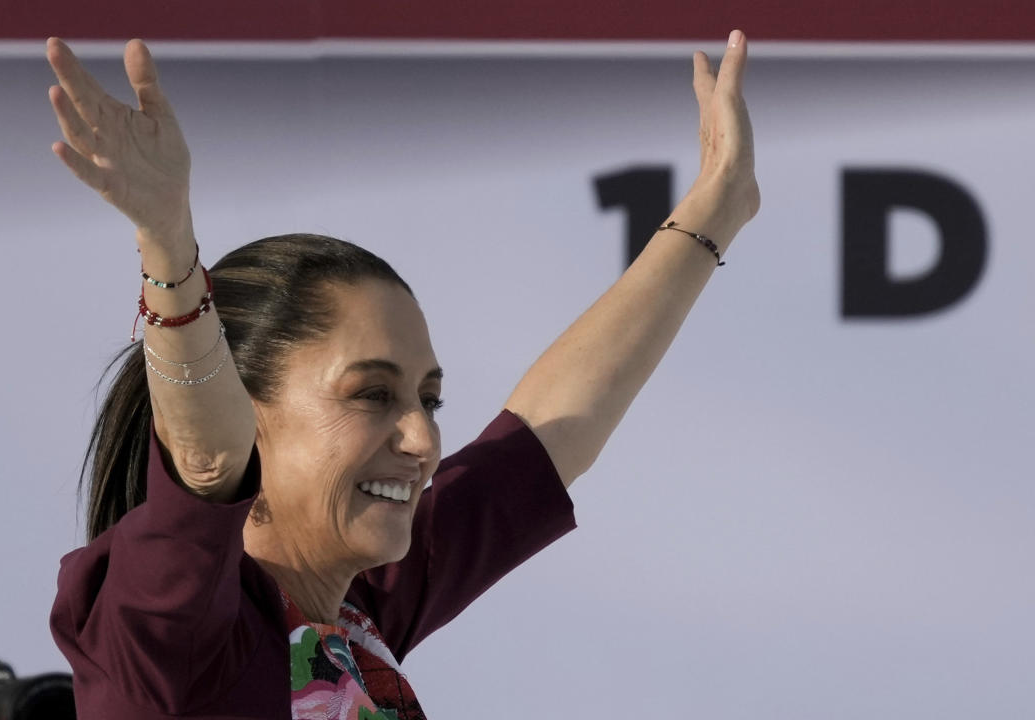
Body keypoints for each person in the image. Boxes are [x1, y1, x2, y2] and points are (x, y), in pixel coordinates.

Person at [45, 29, 759, 720]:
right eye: (372, 394)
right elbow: (202, 465)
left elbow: (544, 435)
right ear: (246, 415)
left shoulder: (355, 619)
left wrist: (714, 211)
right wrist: (168, 249)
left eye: (429, 397)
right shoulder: (168, 639)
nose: (422, 436)